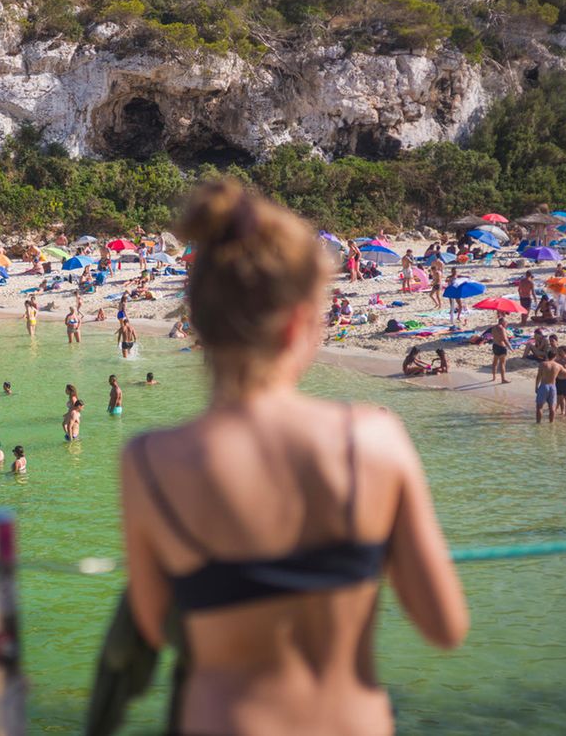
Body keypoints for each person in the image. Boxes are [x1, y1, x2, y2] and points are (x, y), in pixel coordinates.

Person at [119, 179, 466, 736]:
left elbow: (156, 625)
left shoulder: (150, 462)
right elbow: (444, 625)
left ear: (202, 325)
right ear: (297, 323)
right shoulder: (373, 441)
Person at [534, 355, 564, 423]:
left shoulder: (543, 364)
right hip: (553, 386)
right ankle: (551, 423)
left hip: (544, 386)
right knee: (552, 407)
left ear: (547, 356)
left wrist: (536, 386)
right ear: (555, 357)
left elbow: (538, 376)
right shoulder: (558, 365)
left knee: (539, 407)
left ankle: (538, 423)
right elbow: (565, 373)